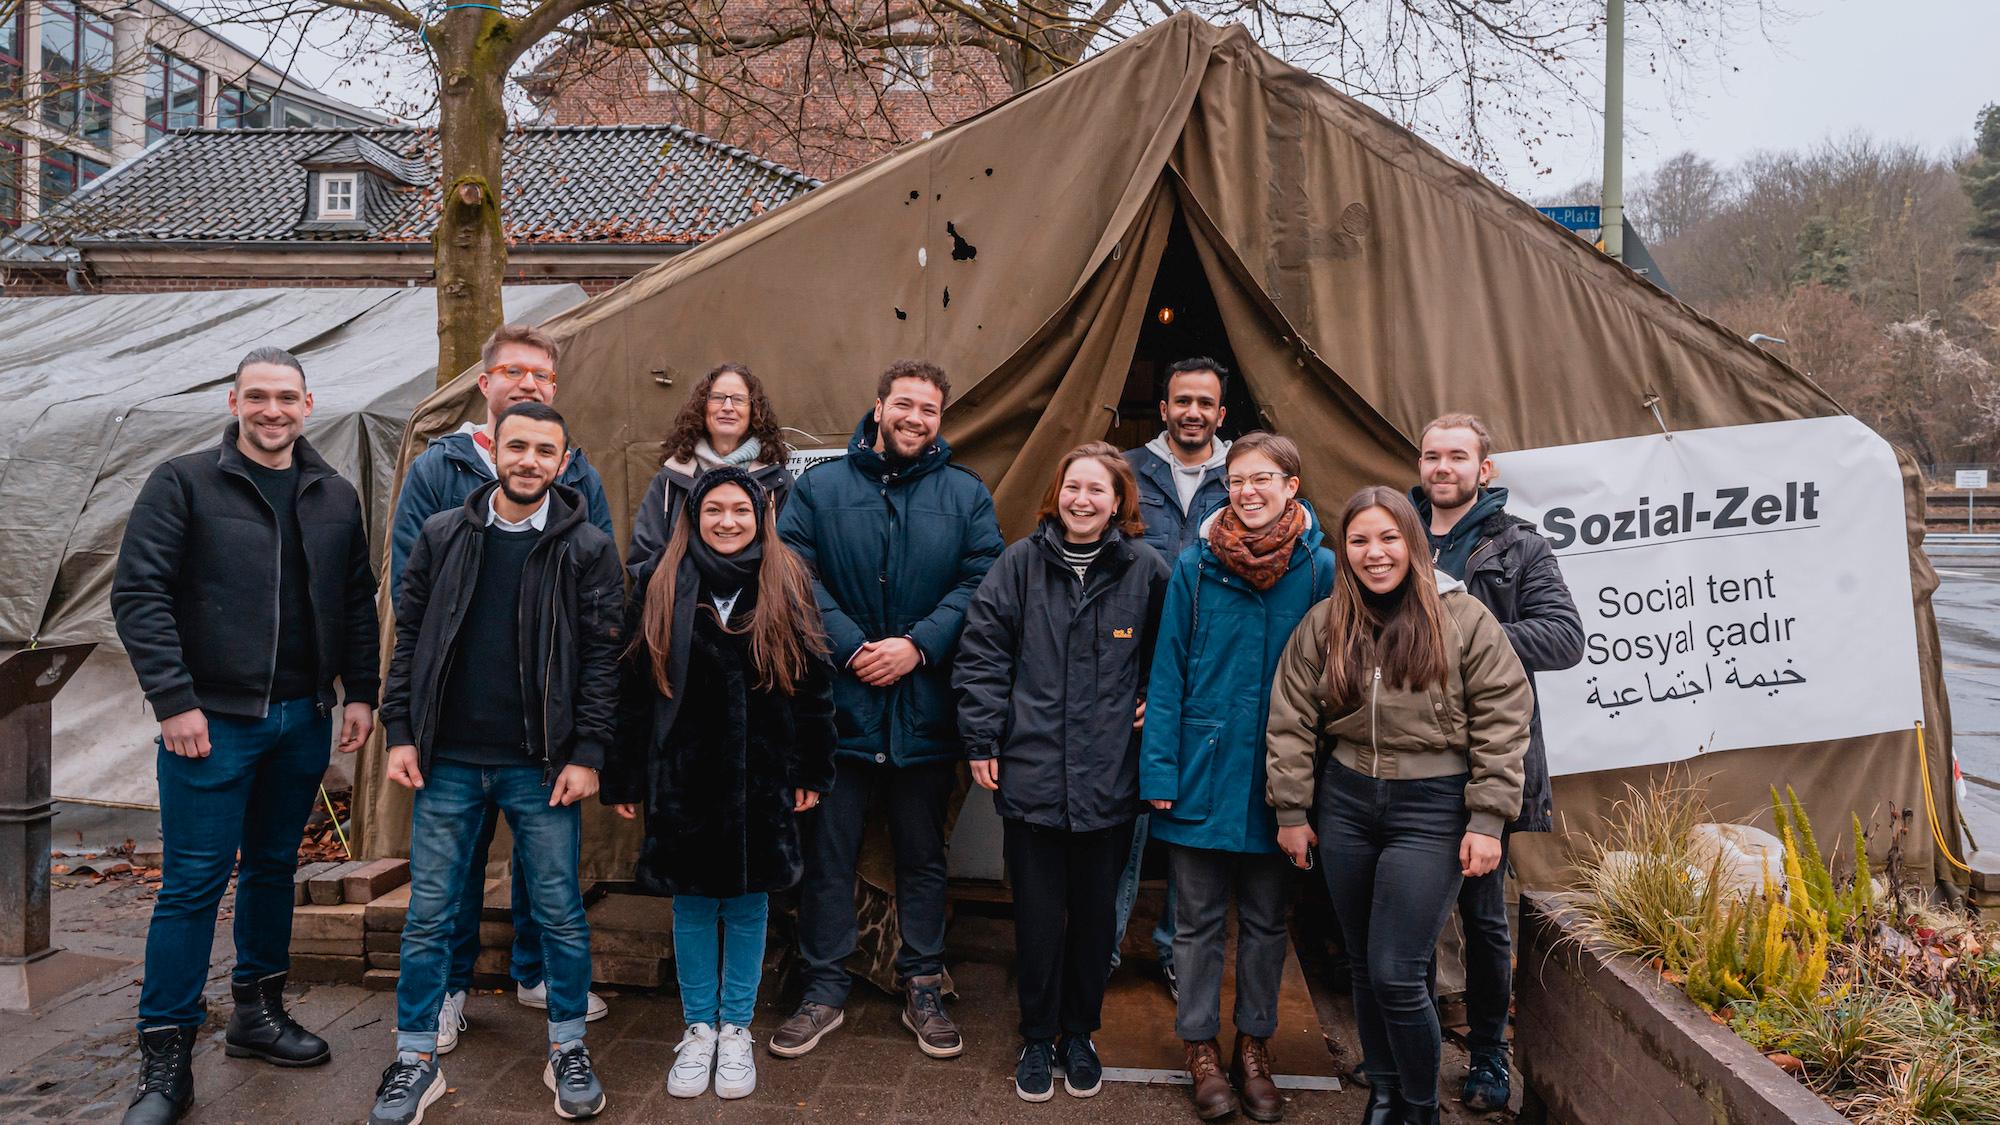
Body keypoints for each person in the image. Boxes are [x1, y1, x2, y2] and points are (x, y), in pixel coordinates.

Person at [112, 347, 380, 1125]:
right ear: (233, 401)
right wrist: (173, 699)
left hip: (302, 717)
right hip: (210, 722)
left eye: (286, 397)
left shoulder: (334, 493)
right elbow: (140, 593)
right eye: (257, 396)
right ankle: (164, 1056)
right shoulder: (184, 482)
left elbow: (356, 602)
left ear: (308, 404)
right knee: (193, 883)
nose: (272, 410)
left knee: (272, 868)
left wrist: (358, 692)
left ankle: (258, 1015)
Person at [368, 403, 623, 1124]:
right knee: (428, 914)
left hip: (541, 766)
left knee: (560, 913)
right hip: (447, 759)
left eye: (546, 449)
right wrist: (401, 731)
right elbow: (409, 636)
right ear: (494, 448)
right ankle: (416, 1059)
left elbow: (604, 660)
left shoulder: (587, 548)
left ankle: (567, 1047)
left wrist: (588, 751)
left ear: (563, 459)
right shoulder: (446, 535)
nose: (530, 460)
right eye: (518, 445)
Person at [1265, 487, 1533, 1125]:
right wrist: (1292, 811)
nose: (1374, 553)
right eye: (1359, 540)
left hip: (1432, 806)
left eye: (1388, 538)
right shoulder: (1328, 622)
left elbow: (1504, 715)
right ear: (1344, 549)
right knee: (1362, 961)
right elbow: (1291, 719)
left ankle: (1420, 1106)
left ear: (1412, 543)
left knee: (1396, 969)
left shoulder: (1460, 618)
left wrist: (1489, 819)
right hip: (1348, 800)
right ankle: (1384, 1095)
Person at [770, 359, 1003, 1061]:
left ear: (941, 420)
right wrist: (852, 647)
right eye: (905, 404)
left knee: (923, 856)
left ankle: (924, 979)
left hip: (926, 710)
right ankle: (822, 988)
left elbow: (981, 579)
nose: (916, 418)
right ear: (878, 407)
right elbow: (792, 573)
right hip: (838, 710)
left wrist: (917, 645)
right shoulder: (818, 490)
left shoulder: (966, 495)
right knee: (828, 855)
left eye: (929, 409)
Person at [605, 467, 838, 1102]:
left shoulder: (787, 581)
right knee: (691, 903)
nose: (727, 521)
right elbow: (631, 689)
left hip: (763, 776)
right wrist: (625, 773)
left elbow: (815, 685)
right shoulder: (662, 583)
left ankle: (736, 1028)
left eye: (740, 510)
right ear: (693, 517)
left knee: (749, 902)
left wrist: (811, 767)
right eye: (714, 510)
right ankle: (698, 1027)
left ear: (760, 516)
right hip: (683, 775)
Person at [954, 442, 1170, 1102]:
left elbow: (1173, 657)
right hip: (1034, 774)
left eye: (1097, 490)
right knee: (1041, 916)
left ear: (1118, 501)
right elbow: (982, 652)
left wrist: (1151, 701)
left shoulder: (1147, 571)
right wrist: (983, 735)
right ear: (1058, 493)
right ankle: (1037, 1035)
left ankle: (1081, 1031)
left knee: (1097, 918)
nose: (1083, 499)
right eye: (1073, 487)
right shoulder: (1019, 565)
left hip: (1110, 780)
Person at [1140, 432, 1334, 1123]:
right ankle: (1199, 1047)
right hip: (1199, 770)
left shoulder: (1322, 571)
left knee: (1264, 921)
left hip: (1281, 781)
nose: (1248, 490)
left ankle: (1254, 1044)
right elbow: (1167, 670)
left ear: (1292, 485)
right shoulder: (1196, 565)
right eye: (1237, 479)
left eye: (1263, 478)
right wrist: (1159, 766)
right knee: (1192, 923)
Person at [1408, 413, 1582, 1111]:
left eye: (1457, 455)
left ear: (1485, 470)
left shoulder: (1519, 547)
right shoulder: (1396, 532)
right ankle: (1408, 1046)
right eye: (1431, 455)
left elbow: (1564, 637)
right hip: (1407, 760)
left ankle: (1488, 1054)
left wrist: (1461, 635)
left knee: (1483, 915)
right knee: (1406, 916)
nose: (1441, 467)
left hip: (1485, 756)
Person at [1115, 357, 1233, 997]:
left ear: (1221, 413)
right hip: (1134, 675)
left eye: (1205, 403)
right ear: (1162, 409)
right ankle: (1102, 949)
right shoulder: (1126, 473)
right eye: (1181, 400)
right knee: (1126, 819)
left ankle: (1174, 952)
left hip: (1213, 677)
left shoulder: (1246, 477)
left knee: (1195, 825)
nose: (1192, 412)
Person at [626, 363, 796, 577]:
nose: (727, 407)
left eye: (738, 399)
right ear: (702, 407)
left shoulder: (778, 482)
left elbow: (793, 560)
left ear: (754, 410)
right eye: (717, 397)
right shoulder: (670, 479)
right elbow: (642, 559)